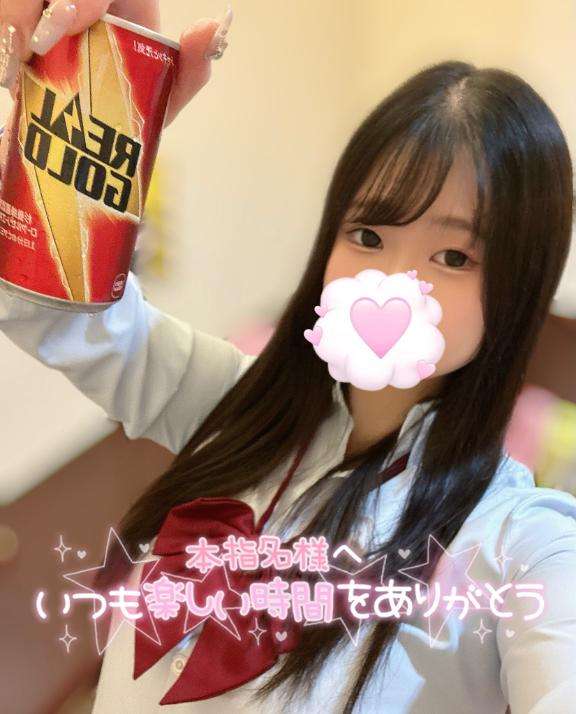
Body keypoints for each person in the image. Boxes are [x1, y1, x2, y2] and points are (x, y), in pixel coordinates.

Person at [1, 2, 576, 713]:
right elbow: (59, 311)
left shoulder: (523, 541)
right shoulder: (233, 403)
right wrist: (90, 126)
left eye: (454, 256)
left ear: (518, 286)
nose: (391, 282)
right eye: (368, 235)